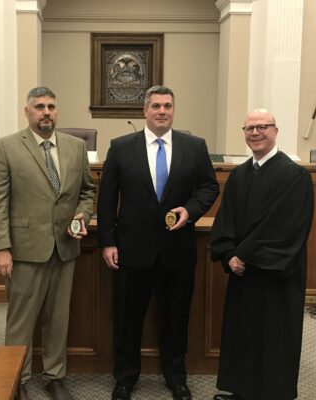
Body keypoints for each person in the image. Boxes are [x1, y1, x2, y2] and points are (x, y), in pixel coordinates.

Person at [98, 86, 220, 400]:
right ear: (145, 111)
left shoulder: (194, 146)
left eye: (167, 106)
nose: (162, 111)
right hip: (131, 250)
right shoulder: (122, 147)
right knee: (128, 319)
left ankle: (176, 377)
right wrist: (108, 242)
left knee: (176, 318)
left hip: (177, 251)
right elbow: (107, 199)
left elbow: (209, 187)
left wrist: (190, 210)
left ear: (173, 110)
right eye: (155, 106)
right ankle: (125, 378)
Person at [0, 87, 95, 400]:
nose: (46, 112)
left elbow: (87, 191)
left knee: (58, 318)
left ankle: (54, 376)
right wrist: (1, 248)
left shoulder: (76, 147)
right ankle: (16, 378)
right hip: (23, 250)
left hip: (65, 246)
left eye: (51, 106)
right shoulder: (6, 147)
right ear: (27, 112)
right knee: (21, 321)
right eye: (39, 107)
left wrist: (81, 215)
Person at [210, 109, 314, 400]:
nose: (255, 133)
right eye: (249, 128)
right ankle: (242, 391)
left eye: (262, 127)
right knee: (244, 335)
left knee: (273, 338)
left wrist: (243, 256)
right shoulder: (239, 175)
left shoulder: (295, 176)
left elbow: (285, 227)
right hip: (242, 274)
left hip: (275, 275)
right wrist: (228, 254)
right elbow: (225, 220)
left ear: (275, 131)